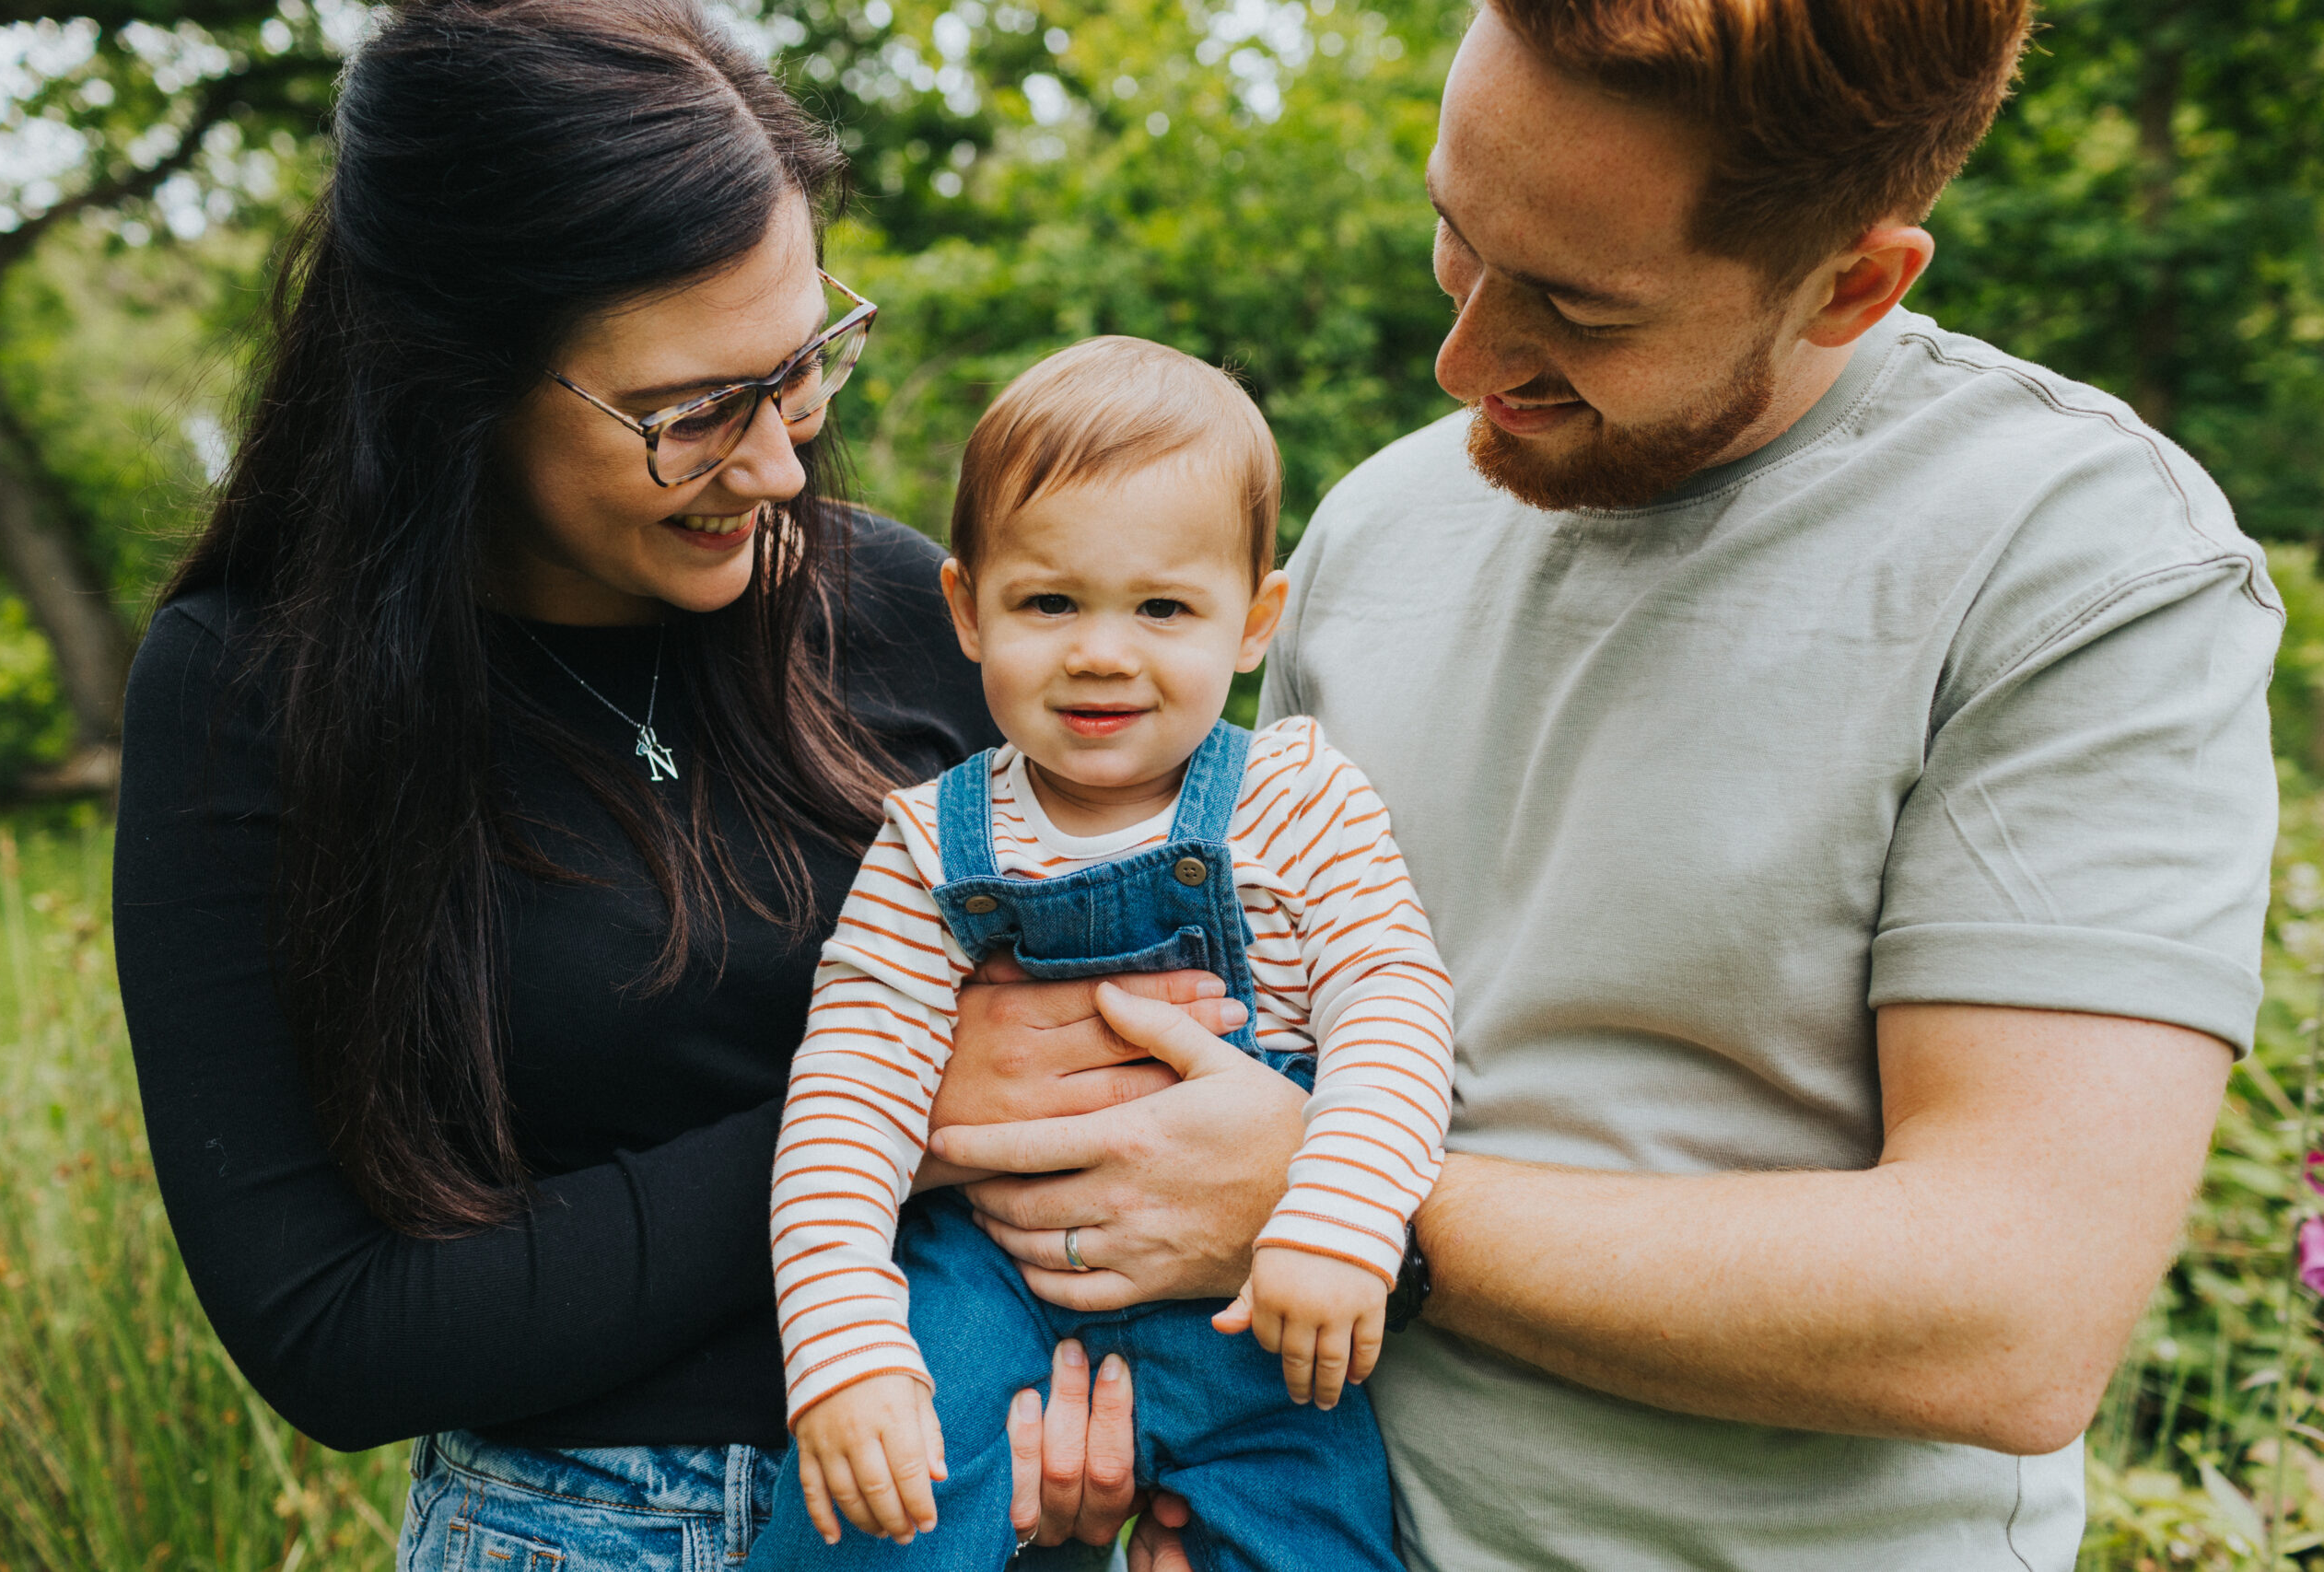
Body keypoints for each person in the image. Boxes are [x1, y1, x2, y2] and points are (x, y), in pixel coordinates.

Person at [927, 3, 2283, 1567]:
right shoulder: (1377, 529)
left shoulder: (2078, 560)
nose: (1466, 356)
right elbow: (1218, 1059)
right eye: (1457, 235)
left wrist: (1347, 1202)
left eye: (1579, 304)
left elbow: (2011, 1310)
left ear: (1853, 283)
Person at [111, 3, 1228, 1564]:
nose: (778, 464)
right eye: (694, 411)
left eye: (803, 365)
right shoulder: (258, 692)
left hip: (974, 1503)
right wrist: (898, 1110)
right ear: (455, 382)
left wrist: (1112, 1420)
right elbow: (335, 1332)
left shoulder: (921, 614)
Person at [753, 337, 1453, 1569]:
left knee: (1319, 1538)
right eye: (1050, 602)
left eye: (1165, 608)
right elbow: (848, 1097)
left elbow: (1394, 1011)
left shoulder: (1301, 801)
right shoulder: (931, 841)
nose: (1102, 652)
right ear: (968, 608)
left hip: (1258, 1301)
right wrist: (846, 1342)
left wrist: (1342, 1218)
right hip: (992, 1288)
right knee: (874, 1510)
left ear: (1255, 621)